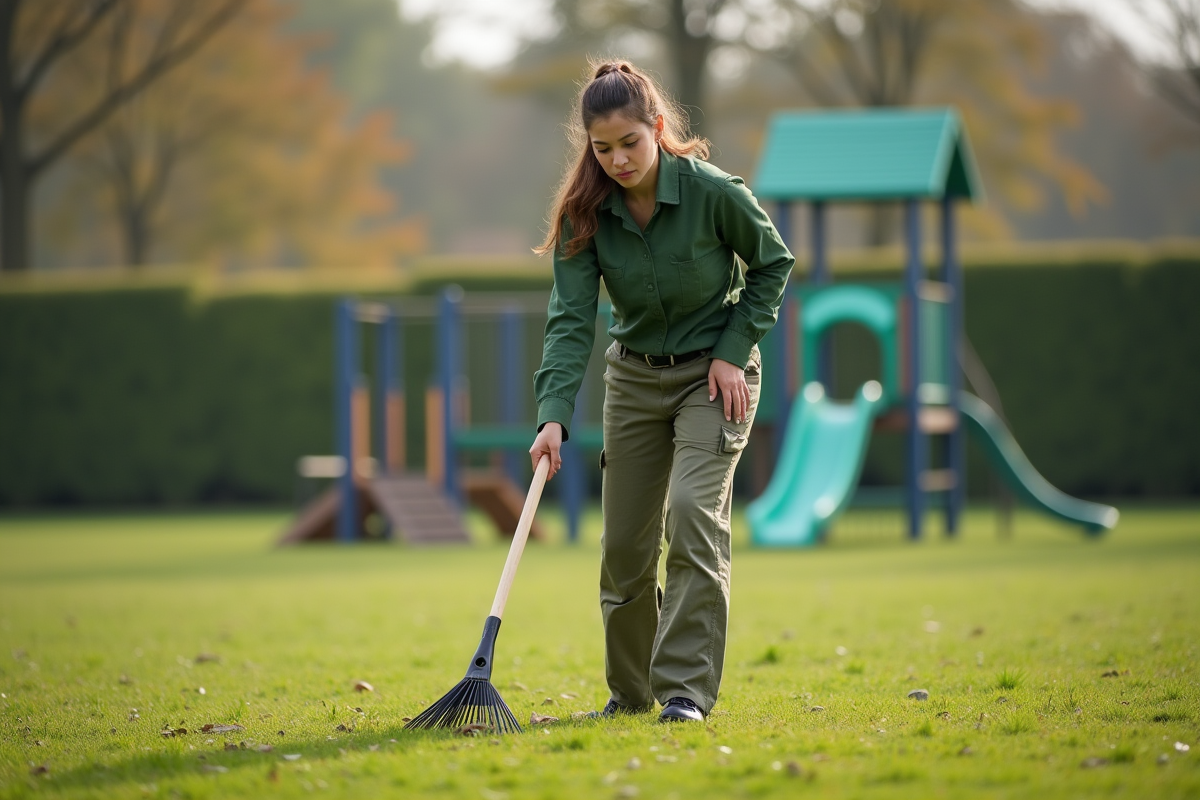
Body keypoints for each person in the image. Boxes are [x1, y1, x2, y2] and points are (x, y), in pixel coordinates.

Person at [528, 60, 794, 723]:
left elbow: (772, 264)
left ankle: (684, 692)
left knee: (691, 514)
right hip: (636, 381)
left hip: (714, 379)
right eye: (602, 148)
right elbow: (568, 320)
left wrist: (734, 353)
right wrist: (553, 416)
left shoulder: (713, 193)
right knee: (624, 547)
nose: (618, 159)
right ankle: (630, 694)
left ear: (657, 127)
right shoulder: (583, 216)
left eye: (629, 143)